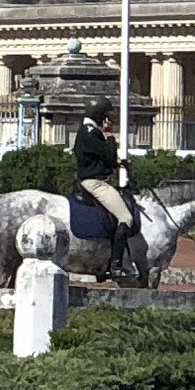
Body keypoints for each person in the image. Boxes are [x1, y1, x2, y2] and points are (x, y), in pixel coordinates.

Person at [68, 111, 135, 271]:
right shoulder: (93, 133)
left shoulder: (83, 131)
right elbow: (109, 155)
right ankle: (116, 264)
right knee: (126, 218)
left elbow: (100, 158)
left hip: (88, 180)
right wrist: (110, 135)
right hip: (95, 183)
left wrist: (119, 164)